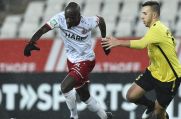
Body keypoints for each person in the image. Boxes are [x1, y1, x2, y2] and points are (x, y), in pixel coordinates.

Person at [24, 2, 112, 119]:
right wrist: (31, 42)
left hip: (86, 60)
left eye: (71, 19)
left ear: (78, 17)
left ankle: (73, 116)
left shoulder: (88, 22)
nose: (68, 21)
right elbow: (44, 28)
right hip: (71, 61)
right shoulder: (60, 19)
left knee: (65, 87)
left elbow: (101, 21)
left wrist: (104, 40)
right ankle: (105, 116)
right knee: (84, 96)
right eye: (67, 18)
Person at [101, 1, 181, 119]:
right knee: (131, 96)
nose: (141, 16)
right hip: (154, 72)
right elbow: (171, 44)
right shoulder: (158, 29)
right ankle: (151, 105)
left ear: (154, 15)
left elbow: (141, 44)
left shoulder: (157, 29)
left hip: (169, 79)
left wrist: (117, 42)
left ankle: (159, 111)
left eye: (145, 13)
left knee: (159, 114)